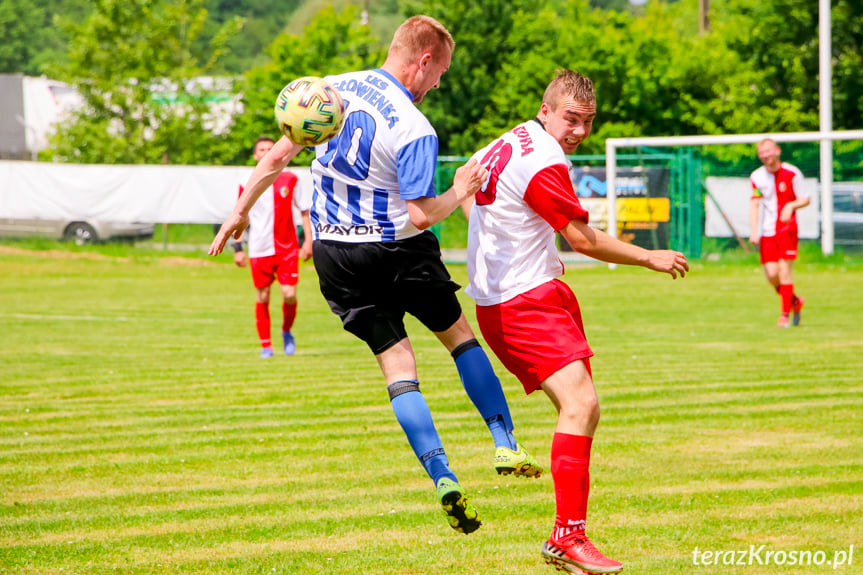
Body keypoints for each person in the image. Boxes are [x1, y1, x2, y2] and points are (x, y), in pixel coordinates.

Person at [210, 15, 541, 534]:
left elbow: (279, 153)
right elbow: (422, 215)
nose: (439, 84)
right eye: (441, 73)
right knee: (458, 339)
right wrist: (462, 187)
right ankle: (504, 442)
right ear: (424, 60)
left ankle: (442, 475)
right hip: (398, 249)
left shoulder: (330, 89)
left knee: (397, 364)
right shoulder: (414, 128)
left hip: (336, 255)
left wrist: (240, 210)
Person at [463, 70, 689, 574]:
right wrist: (647, 257)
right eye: (571, 119)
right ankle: (568, 536)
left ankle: (565, 532)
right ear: (547, 111)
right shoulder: (544, 162)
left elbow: (472, 199)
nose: (580, 131)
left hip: (517, 294)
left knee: (579, 408)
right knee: (582, 404)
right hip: (523, 300)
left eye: (587, 121)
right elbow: (583, 241)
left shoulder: (510, 139)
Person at [231, 136, 313, 358]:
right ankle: (266, 345)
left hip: (286, 248)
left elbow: (305, 210)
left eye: (270, 148)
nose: (266, 151)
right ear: (255, 155)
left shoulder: (290, 178)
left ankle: (286, 331)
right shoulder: (246, 180)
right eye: (261, 149)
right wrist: (238, 248)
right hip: (259, 247)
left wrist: (308, 241)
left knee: (289, 294)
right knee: (263, 296)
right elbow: (239, 215)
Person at [749, 138, 810, 328]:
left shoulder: (792, 173)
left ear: (777, 150)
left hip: (787, 229)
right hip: (768, 232)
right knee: (772, 275)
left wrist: (791, 205)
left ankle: (784, 316)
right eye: (761, 153)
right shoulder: (756, 177)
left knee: (785, 271)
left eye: (768, 151)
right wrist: (753, 231)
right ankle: (794, 301)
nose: (766, 156)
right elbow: (755, 202)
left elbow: (805, 199)